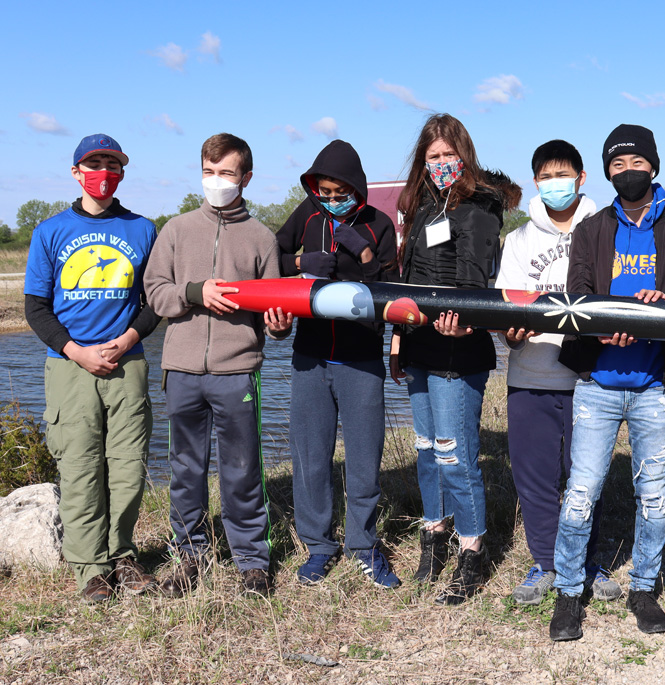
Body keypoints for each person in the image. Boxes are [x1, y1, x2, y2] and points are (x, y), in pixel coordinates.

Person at [548, 124, 665, 640]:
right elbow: (577, 297)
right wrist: (599, 326)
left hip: (654, 387)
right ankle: (569, 591)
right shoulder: (591, 230)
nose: (628, 171)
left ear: (653, 166)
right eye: (617, 165)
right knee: (581, 491)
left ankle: (643, 588)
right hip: (598, 384)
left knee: (653, 495)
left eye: (637, 163)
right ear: (607, 173)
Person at [144, 133, 293, 597]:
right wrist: (195, 292)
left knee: (242, 470)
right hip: (182, 370)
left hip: (237, 371)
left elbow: (274, 311)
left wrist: (279, 326)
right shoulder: (176, 229)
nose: (216, 180)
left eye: (226, 172)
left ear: (245, 178)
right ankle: (189, 556)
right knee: (185, 469)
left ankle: (251, 560)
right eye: (208, 171)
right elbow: (155, 292)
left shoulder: (262, 237)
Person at [389, 113, 521, 605]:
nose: (441, 162)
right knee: (426, 448)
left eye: (449, 154)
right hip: (418, 346)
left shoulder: (480, 206)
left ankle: (472, 549)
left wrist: (465, 321)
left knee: (454, 453)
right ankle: (435, 533)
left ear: (464, 155)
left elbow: (474, 282)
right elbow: (406, 281)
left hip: (458, 348)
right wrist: (398, 342)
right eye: (433, 156)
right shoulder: (422, 205)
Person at [24, 134, 159, 603]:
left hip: (127, 364)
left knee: (127, 469)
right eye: (94, 163)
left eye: (112, 164)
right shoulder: (49, 231)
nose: (103, 171)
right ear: (76, 172)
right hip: (70, 368)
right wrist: (75, 350)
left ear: (122, 172)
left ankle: (122, 555)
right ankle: (91, 568)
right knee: (80, 466)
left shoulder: (143, 229)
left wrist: (127, 340)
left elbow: (155, 302)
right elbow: (36, 307)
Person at [495, 139, 622, 606]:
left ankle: (585, 560)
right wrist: (511, 333)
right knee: (535, 478)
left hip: (590, 379)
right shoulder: (518, 241)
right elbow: (506, 309)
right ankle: (547, 562)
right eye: (546, 177)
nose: (555, 184)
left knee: (585, 477)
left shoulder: (606, 230)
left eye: (563, 175)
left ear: (581, 178)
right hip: (530, 376)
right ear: (535, 182)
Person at [275, 140, 401, 589]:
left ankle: (364, 545)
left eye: (339, 192)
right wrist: (299, 261)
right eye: (323, 192)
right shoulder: (306, 215)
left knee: (365, 458)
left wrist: (364, 257)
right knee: (311, 457)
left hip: (360, 358)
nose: (330, 200)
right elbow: (270, 260)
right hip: (310, 356)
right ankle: (319, 546)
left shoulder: (379, 224)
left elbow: (392, 292)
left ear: (356, 188)